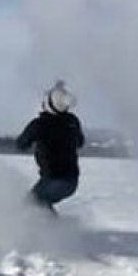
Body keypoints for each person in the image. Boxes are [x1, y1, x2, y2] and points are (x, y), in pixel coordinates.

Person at [16, 80, 85, 214]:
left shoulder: (40, 124)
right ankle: (54, 229)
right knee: (41, 203)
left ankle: (50, 231)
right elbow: (80, 142)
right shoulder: (72, 121)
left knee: (30, 204)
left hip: (53, 181)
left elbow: (21, 144)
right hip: (71, 182)